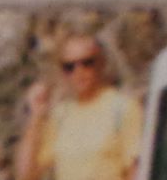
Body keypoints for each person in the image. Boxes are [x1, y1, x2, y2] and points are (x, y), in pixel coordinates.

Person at [16, 35, 143, 180]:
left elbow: (136, 170)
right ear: (63, 72)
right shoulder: (60, 116)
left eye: (87, 63)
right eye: (70, 67)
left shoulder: (123, 108)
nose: (79, 71)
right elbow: (26, 174)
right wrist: (36, 115)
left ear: (101, 63)